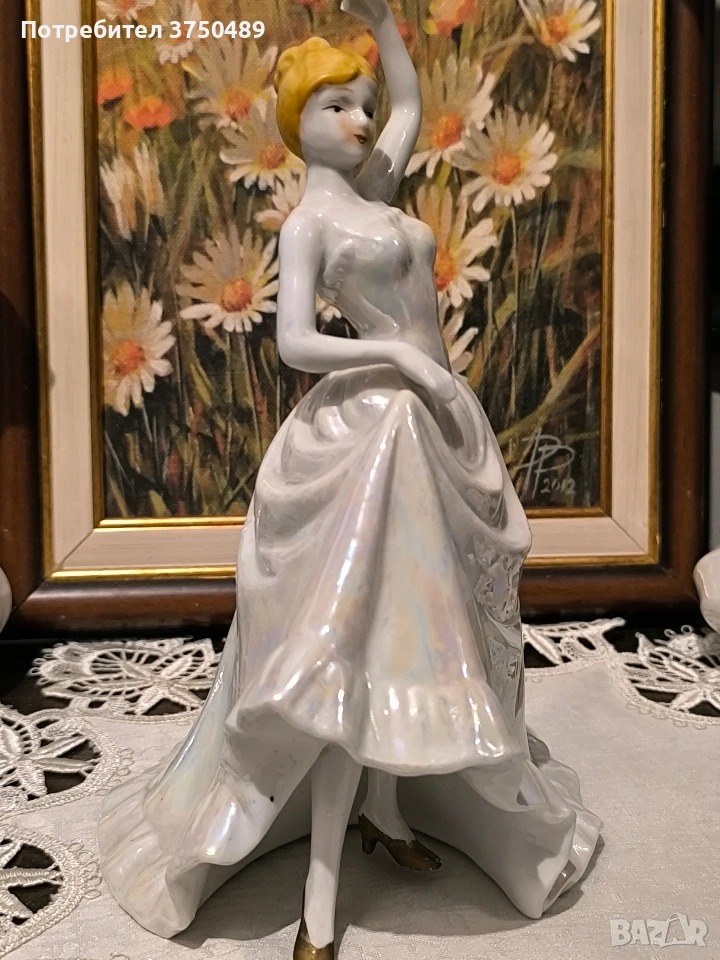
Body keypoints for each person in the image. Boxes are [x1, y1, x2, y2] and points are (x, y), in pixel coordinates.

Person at [99, 1, 602, 956]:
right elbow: (294, 341)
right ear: (298, 120)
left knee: (417, 633)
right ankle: (322, 893)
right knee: (347, 646)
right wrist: (398, 356)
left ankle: (388, 809)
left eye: (361, 104)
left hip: (434, 427)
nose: (363, 119)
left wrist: (388, 30)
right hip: (371, 434)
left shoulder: (376, 189)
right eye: (339, 105)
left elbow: (410, 107)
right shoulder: (308, 223)